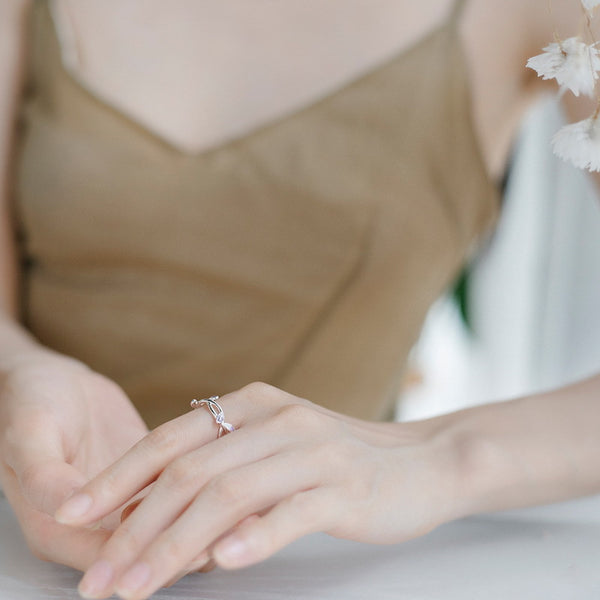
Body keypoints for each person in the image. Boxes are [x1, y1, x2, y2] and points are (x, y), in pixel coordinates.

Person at [1, 1, 599, 599]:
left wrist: (439, 457)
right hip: (27, 541)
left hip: (310, 571)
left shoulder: (554, 12)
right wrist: (15, 368)